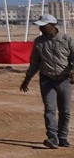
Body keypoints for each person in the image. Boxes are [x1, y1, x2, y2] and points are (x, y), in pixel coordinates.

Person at [19, 13, 74, 149]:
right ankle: (52, 137)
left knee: (65, 111)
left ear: (52, 26)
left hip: (64, 80)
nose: (41, 29)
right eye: (40, 27)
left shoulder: (67, 40)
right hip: (47, 80)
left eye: (43, 26)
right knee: (50, 109)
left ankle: (62, 137)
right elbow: (34, 63)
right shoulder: (39, 42)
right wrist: (27, 79)